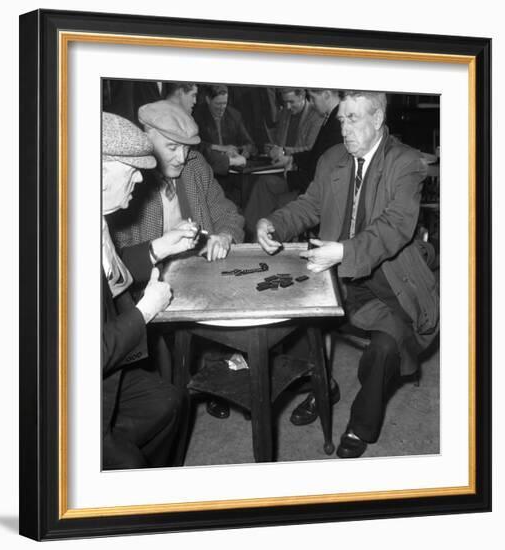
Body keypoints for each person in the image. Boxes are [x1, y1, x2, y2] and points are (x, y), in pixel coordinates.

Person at [257, 91, 439, 458]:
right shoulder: (332, 159)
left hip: (388, 280)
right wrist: (274, 222)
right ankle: (323, 388)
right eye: (341, 119)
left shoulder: (406, 163)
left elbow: (395, 227)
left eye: (353, 118)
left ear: (377, 119)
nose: (344, 128)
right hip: (334, 273)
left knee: (385, 348)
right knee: (286, 314)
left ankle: (360, 424)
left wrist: (343, 251)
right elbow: (310, 205)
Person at [108, 100, 245, 419]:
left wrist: (224, 234)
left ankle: (217, 379)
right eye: (172, 147)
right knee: (169, 381)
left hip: (201, 273)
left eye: (186, 148)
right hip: (149, 283)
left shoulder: (195, 165)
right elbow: (120, 257)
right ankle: (183, 390)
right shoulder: (129, 180)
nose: (181, 157)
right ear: (147, 136)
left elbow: (228, 213)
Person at [101, 112, 194, 470]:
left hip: (107, 372)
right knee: (127, 464)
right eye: (131, 169)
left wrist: (160, 247)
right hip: (66, 401)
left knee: (169, 401)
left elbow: (111, 269)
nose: (140, 177)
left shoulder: (94, 216)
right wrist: (145, 311)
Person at [244, 89, 342, 237]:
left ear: (326, 95)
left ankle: (259, 232)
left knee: (272, 192)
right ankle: (252, 231)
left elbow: (317, 161)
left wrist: (290, 167)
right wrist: (286, 155)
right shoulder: (327, 117)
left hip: (309, 183)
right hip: (299, 173)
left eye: (313, 98)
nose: (313, 103)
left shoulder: (328, 119)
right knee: (261, 184)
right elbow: (315, 155)